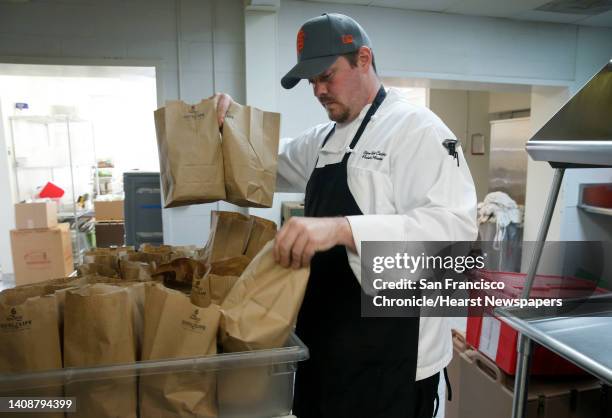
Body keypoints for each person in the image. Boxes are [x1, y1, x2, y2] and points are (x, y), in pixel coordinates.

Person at [215, 13, 477, 418]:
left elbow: (454, 238)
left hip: (391, 360)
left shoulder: (416, 129)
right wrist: (228, 122)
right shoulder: (324, 140)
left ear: (363, 59)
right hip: (326, 347)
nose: (318, 90)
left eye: (326, 75)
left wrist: (342, 229)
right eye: (311, 82)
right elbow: (264, 161)